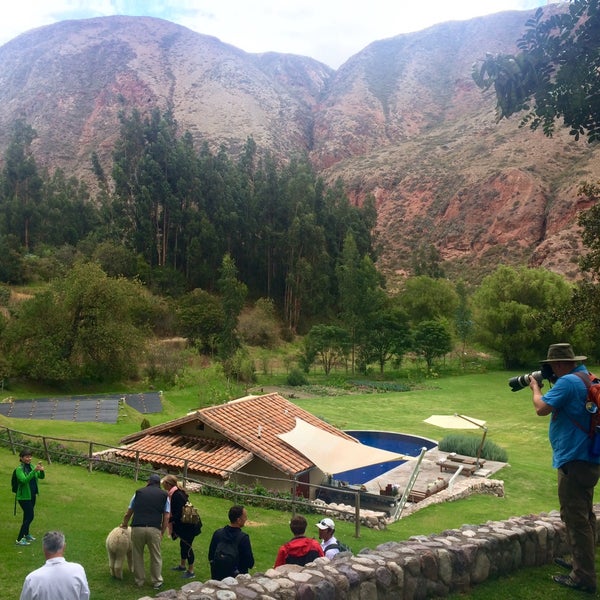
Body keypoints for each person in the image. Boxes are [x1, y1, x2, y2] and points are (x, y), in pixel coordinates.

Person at [529, 343, 600, 594]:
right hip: (588, 458)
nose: (549, 371)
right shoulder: (586, 376)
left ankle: (583, 577)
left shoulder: (568, 382)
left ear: (558, 364)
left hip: (574, 459)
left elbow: (541, 409)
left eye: (550, 366)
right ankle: (581, 563)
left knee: (575, 517)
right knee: (585, 516)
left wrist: (535, 387)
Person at [120, 473, 170, 590]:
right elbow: (166, 516)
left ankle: (139, 581)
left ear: (148, 482)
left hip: (138, 527)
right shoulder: (164, 495)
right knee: (156, 555)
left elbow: (129, 512)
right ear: (159, 484)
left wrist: (124, 524)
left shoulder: (138, 493)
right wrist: (162, 531)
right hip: (154, 528)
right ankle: (157, 581)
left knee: (137, 554)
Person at [19, 530, 89, 600]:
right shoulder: (78, 570)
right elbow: (85, 596)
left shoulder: (32, 579)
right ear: (64, 547)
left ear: (44, 548)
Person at [161, 474, 200, 579]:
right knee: (183, 545)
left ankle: (191, 571)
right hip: (185, 525)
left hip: (189, 526)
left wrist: (169, 520)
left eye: (164, 483)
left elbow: (178, 513)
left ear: (168, 484)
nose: (163, 486)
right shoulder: (176, 493)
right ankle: (182, 565)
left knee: (187, 547)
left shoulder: (176, 495)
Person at [208, 505, 254, 580]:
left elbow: (210, 556)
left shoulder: (218, 533)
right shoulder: (243, 538)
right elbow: (250, 563)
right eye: (245, 517)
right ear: (238, 520)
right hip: (236, 578)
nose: (246, 519)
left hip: (218, 576)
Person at [15, 448, 45, 546]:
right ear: (21, 458)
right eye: (26, 457)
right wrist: (34, 471)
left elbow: (40, 477)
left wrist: (41, 471)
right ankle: (19, 539)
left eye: (30, 456)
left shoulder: (32, 466)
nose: (29, 458)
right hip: (24, 497)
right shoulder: (19, 469)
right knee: (30, 516)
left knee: (26, 515)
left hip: (32, 495)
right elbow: (24, 480)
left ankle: (26, 534)